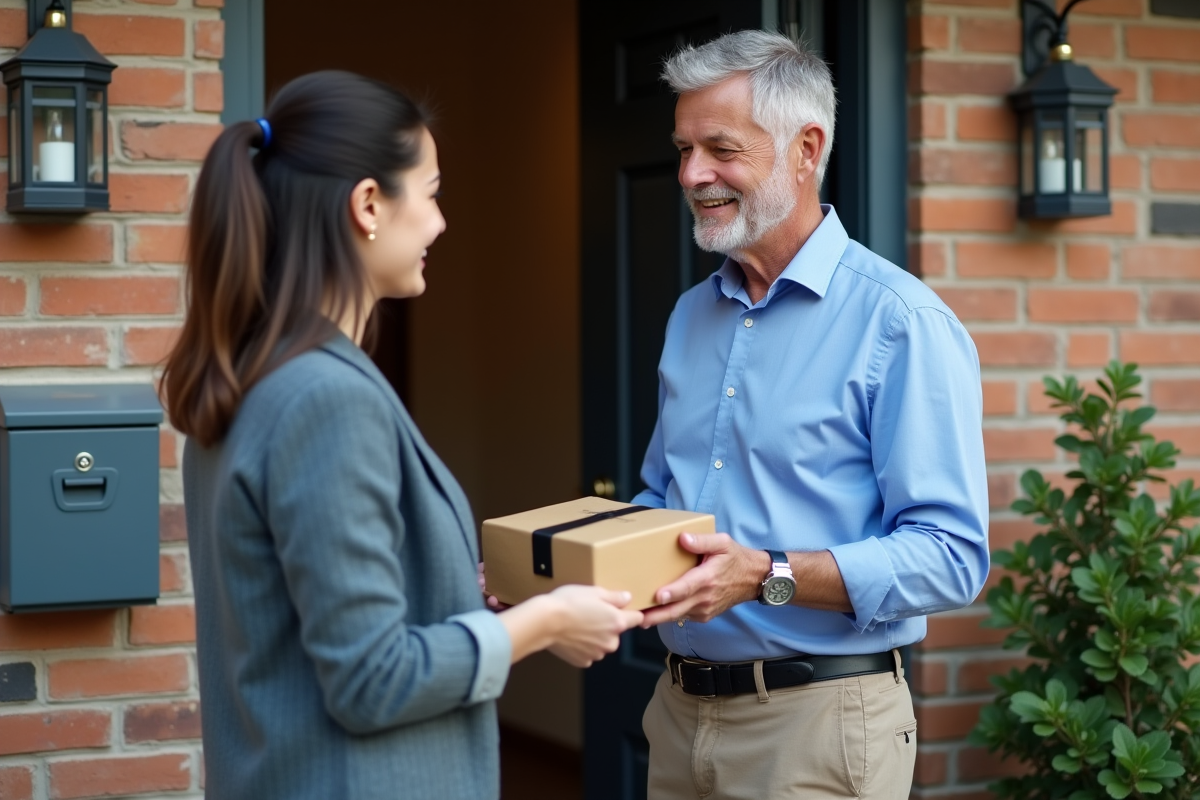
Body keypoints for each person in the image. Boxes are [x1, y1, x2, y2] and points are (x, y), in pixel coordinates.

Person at [162, 71, 643, 800]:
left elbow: (305, 627)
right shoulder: (323, 397)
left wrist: (468, 604)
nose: (441, 222)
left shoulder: (253, 379)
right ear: (367, 205)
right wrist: (546, 622)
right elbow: (370, 679)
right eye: (432, 190)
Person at [632, 31, 989, 800]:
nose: (693, 174)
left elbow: (951, 557)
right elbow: (659, 504)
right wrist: (574, 570)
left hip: (822, 726)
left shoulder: (900, 322)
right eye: (684, 149)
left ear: (806, 148)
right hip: (675, 715)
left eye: (719, 148)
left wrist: (767, 577)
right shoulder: (690, 316)